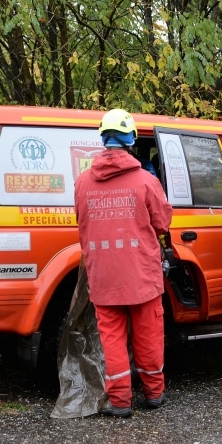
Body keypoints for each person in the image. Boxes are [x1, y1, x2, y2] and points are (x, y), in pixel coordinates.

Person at [74, 108, 173, 418]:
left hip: (103, 273)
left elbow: (81, 221)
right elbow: (162, 223)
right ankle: (153, 394)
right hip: (141, 274)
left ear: (103, 139)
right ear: (131, 139)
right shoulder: (145, 180)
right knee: (148, 335)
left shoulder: (82, 182)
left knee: (112, 339)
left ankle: (119, 401)